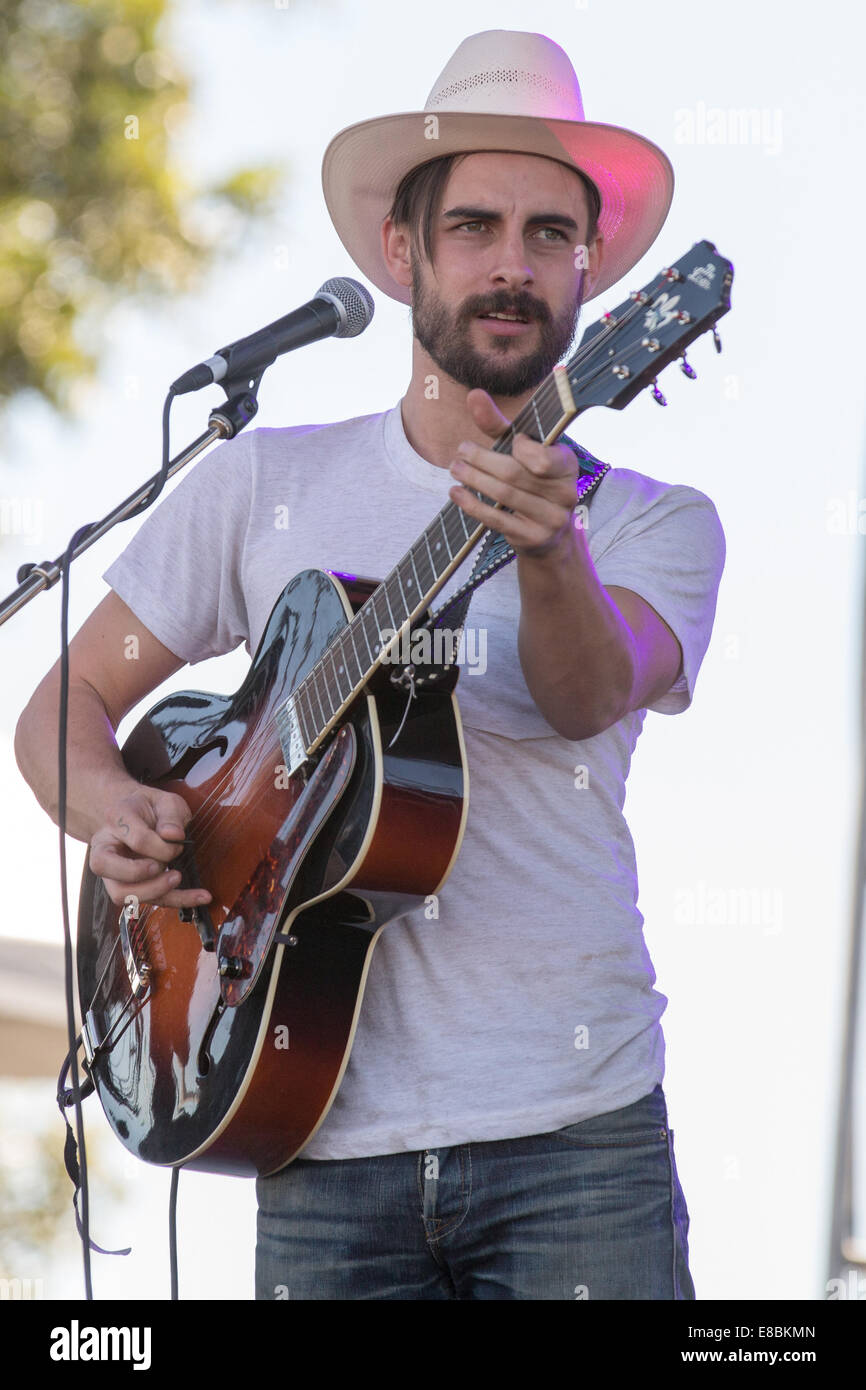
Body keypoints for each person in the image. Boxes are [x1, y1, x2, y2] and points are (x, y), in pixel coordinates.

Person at [14, 30, 725, 1300]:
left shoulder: (650, 522)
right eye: (473, 226)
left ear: (593, 274)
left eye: (549, 235)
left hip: (574, 1133)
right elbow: (63, 708)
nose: (511, 265)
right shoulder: (258, 482)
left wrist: (548, 545)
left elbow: (581, 699)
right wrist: (115, 807)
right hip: (308, 1127)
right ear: (402, 251)